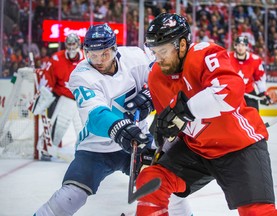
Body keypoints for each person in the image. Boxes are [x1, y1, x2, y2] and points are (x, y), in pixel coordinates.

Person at [34, 23, 193, 216]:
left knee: (168, 188)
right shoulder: (81, 76)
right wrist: (122, 128)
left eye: (104, 54)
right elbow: (96, 115)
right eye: (93, 55)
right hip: (96, 148)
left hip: (138, 143)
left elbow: (163, 78)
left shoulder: (135, 57)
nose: (99, 60)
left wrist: (151, 98)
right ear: (85, 53)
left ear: (114, 50)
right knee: (70, 196)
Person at [135, 13, 277, 216]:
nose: (158, 59)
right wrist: (157, 148)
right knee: (151, 180)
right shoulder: (155, 78)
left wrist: (184, 110)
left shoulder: (204, 54)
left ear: (183, 44)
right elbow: (173, 127)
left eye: (163, 51)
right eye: (154, 52)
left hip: (239, 147)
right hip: (197, 150)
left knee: (257, 212)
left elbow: (229, 91)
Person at [29, 33, 84, 158]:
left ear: (78, 44)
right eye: (69, 44)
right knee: (57, 126)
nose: (71, 47)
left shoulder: (87, 58)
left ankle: (86, 153)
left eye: (73, 43)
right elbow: (48, 82)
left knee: (83, 129)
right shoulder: (56, 59)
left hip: (83, 100)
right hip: (64, 99)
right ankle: (47, 148)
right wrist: (44, 97)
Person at [229, 36, 277, 110]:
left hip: (248, 91)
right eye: (238, 45)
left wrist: (262, 93)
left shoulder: (255, 60)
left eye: (243, 45)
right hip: (232, 92)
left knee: (254, 113)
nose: (240, 48)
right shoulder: (227, 58)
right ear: (235, 46)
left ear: (247, 46)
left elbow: (259, 78)